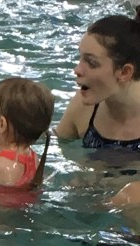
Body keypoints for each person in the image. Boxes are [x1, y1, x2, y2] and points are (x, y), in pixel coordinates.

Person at [56, 10, 140, 151]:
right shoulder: (83, 108)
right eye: (81, 57)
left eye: (91, 62)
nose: (77, 69)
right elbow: (53, 146)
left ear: (124, 72)